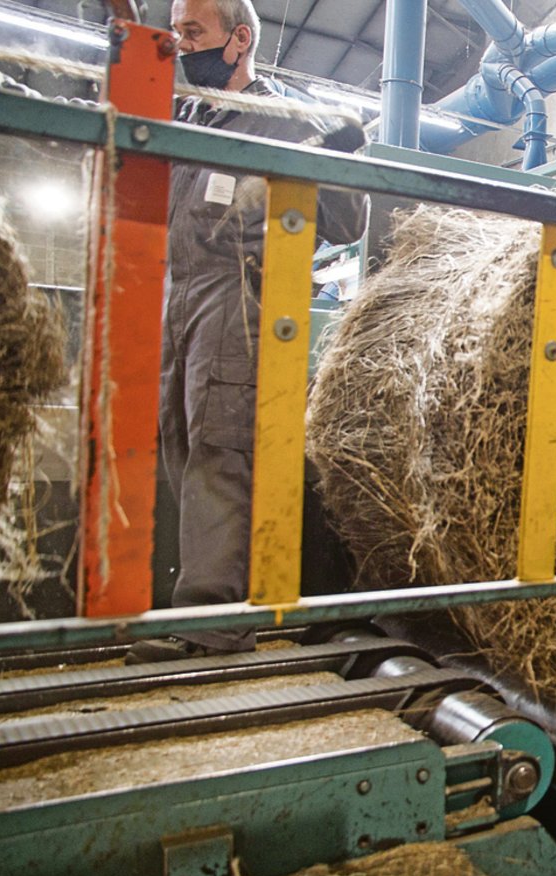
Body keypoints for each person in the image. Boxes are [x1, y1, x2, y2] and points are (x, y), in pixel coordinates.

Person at [126, 0, 366, 663]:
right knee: (180, 449)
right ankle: (200, 602)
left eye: (192, 32)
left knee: (214, 451)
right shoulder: (187, 119)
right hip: (176, 295)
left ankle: (213, 626)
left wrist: (337, 154)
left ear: (238, 42)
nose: (179, 43)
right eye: (174, 30)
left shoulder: (276, 118)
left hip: (235, 295)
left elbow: (349, 218)